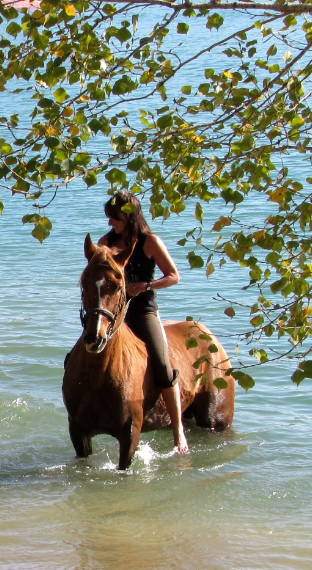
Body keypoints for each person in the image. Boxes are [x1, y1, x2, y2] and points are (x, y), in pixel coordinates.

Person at [98, 191, 189, 453]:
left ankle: (178, 431)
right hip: (114, 312)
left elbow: (173, 276)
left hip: (143, 311)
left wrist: (145, 285)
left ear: (129, 216)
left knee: (162, 365)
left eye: (114, 219)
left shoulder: (150, 242)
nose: (110, 224)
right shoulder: (107, 242)